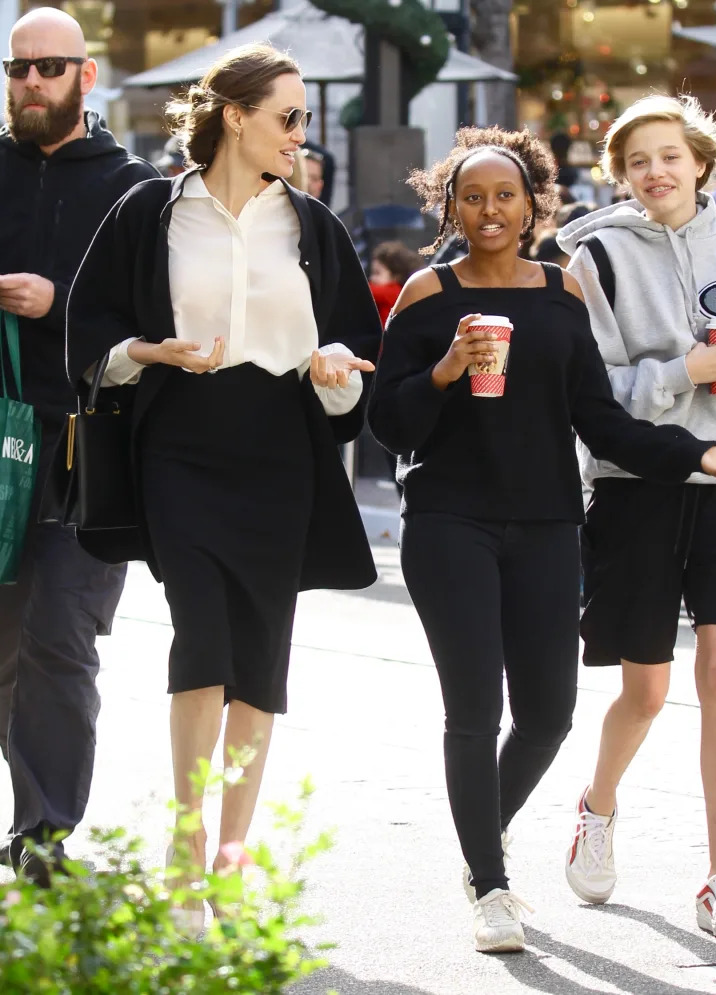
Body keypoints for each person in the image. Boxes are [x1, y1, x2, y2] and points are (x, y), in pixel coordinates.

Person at [368, 125, 716, 955]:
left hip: (547, 523)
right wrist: (442, 370)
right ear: (451, 206)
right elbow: (388, 424)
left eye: (504, 194)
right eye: (471, 196)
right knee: (474, 708)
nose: (489, 210)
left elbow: (603, 420)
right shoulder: (426, 296)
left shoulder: (562, 293)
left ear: (534, 203)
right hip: (448, 523)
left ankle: (481, 836)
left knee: (547, 715)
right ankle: (489, 882)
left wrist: (696, 454)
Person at [65, 43, 382, 932]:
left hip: (280, 449)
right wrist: (151, 351)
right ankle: (185, 838)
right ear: (234, 117)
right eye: (289, 116)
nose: (300, 134)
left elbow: (358, 359)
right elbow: (91, 337)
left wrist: (334, 371)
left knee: (260, 655)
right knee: (201, 634)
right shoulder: (149, 214)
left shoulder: (313, 226)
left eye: (305, 119)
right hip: (180, 448)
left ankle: (233, 858)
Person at [555, 94, 716, 940]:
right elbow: (590, 395)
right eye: (637, 161)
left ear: (703, 162)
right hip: (635, 484)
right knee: (647, 688)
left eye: (670, 155)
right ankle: (598, 805)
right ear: (621, 174)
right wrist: (686, 368)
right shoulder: (592, 258)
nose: (656, 172)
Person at [0, 6, 158, 885]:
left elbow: (152, 323)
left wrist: (55, 302)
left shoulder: (133, 188)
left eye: (48, 68)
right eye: (18, 69)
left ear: (85, 76)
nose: (30, 84)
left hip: (82, 448)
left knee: (61, 636)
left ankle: (43, 835)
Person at [369, 239, 423, 325]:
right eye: (372, 273)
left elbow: (363, 291)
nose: (372, 278)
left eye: (377, 273)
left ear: (395, 276)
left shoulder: (392, 292)